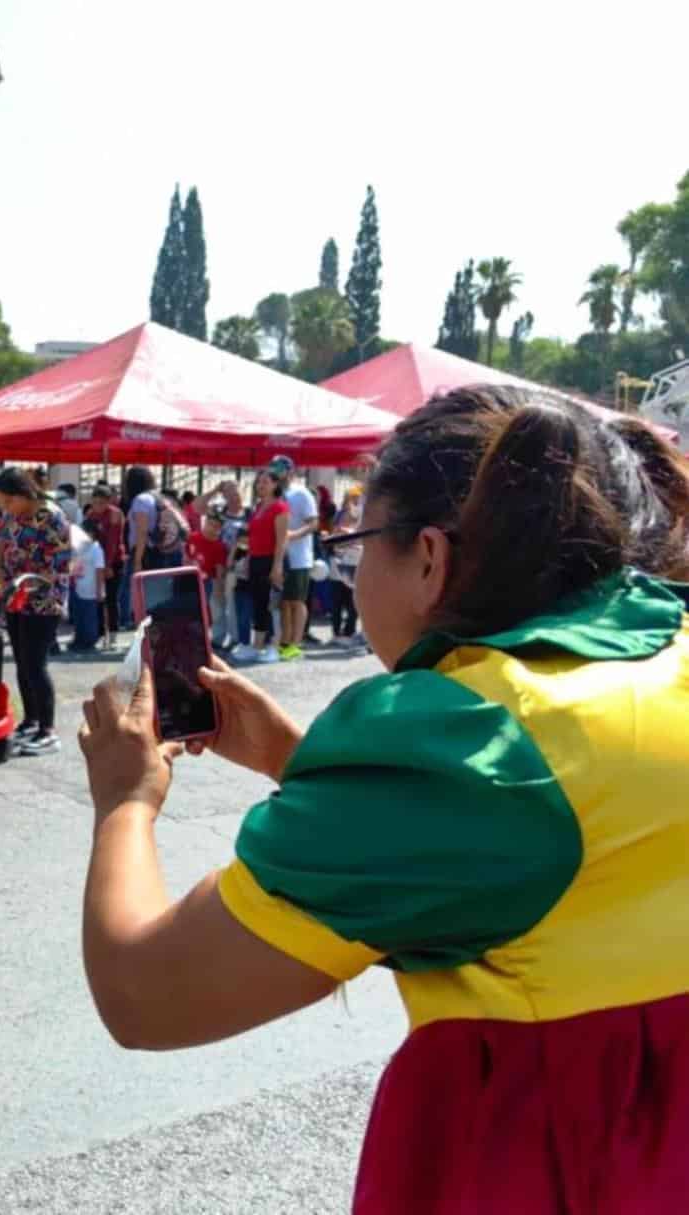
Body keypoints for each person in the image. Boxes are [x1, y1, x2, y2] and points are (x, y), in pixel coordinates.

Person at [79, 385, 689, 1211]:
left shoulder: (465, 745)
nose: (350, 566)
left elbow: (144, 992)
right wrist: (298, 760)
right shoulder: (662, 647)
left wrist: (126, 794)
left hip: (559, 1170)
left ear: (429, 560)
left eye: (357, 540)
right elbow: (567, 856)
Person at [0, 468, 71, 755]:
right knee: (22, 662)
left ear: (24, 495)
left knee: (36, 664)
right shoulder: (8, 515)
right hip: (14, 597)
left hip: (43, 600)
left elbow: (59, 565)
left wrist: (29, 582)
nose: (4, 508)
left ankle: (48, 731)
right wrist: (0, 572)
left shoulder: (52, 517)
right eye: (1, 503)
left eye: (8, 502)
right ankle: (30, 720)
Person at [229, 472, 287, 664]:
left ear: (275, 484)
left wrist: (277, 566)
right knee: (259, 604)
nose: (260, 485)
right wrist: (247, 560)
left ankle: (273, 646)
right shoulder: (259, 507)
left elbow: (281, 540)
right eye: (258, 482)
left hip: (271, 560)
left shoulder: (280, 507)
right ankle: (257, 646)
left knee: (272, 604)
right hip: (255, 560)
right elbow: (252, 538)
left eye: (265, 482)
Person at [269, 456, 317, 660]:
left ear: (289, 470)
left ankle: (296, 643)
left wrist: (293, 535)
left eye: (279, 468)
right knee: (284, 602)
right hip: (281, 556)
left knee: (296, 601)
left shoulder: (302, 493)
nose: (276, 472)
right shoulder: (277, 494)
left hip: (299, 557)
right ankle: (285, 642)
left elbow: (314, 523)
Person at [87, 484, 127, 650]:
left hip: (113, 561)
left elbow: (113, 542)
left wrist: (108, 566)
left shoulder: (115, 515)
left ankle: (114, 633)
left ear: (108, 501)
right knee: (98, 599)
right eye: (95, 502)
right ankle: (100, 633)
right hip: (96, 561)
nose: (98, 506)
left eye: (102, 503)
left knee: (111, 599)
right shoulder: (90, 514)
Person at [186, 506, 231, 649]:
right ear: (205, 523)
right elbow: (185, 555)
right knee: (191, 610)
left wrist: (219, 588)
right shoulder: (192, 537)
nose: (212, 529)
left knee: (215, 610)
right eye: (210, 524)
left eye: (217, 526)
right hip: (189, 579)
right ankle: (191, 637)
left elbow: (219, 569)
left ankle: (218, 638)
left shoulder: (219, 546)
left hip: (207, 582)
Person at [329, 486, 365, 643]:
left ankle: (348, 632)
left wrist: (347, 537)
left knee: (351, 602)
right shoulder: (339, 514)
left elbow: (359, 538)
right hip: (338, 562)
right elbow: (335, 537)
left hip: (353, 562)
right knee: (336, 601)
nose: (351, 500)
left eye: (355, 497)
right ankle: (336, 632)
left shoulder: (359, 515)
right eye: (349, 496)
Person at [68, 517, 106, 653]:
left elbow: (99, 570)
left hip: (90, 589)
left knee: (89, 617)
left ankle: (89, 641)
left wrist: (99, 590)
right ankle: (79, 639)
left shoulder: (96, 549)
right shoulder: (78, 548)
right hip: (77, 587)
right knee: (78, 617)